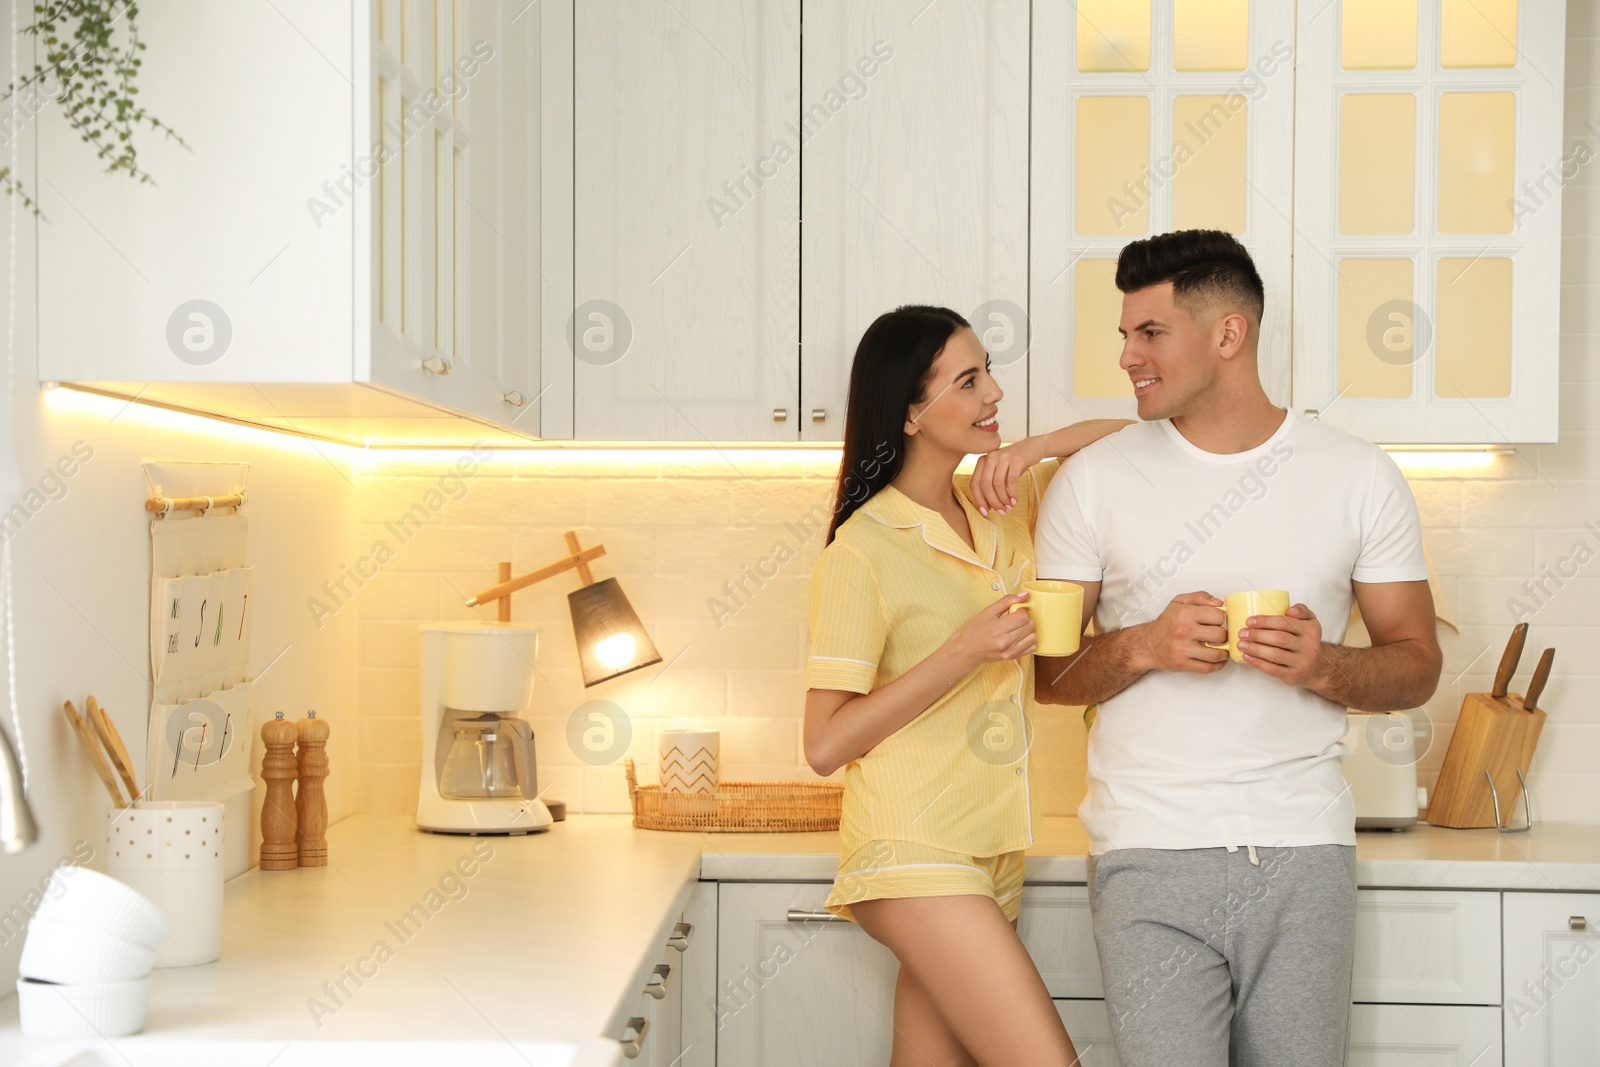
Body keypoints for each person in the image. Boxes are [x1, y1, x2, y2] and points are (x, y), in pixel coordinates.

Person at [1022, 230, 1443, 1066]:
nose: (1128, 357)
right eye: (1124, 335)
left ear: (1227, 334)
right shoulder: (1092, 481)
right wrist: (1141, 645)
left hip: (1303, 852)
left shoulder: (1357, 475)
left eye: (1150, 333)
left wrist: (1324, 664)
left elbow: (1417, 662)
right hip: (1147, 853)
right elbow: (1050, 677)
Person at [804, 304, 1126, 1066]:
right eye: (969, 380)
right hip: (912, 841)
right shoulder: (864, 548)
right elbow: (824, 743)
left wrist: (1035, 450)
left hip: (990, 845)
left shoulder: (1004, 509)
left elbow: (1145, 437)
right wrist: (964, 650)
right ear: (912, 413)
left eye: (989, 372)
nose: (995, 396)